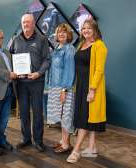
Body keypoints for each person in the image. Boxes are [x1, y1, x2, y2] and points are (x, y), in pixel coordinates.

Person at [66, 19, 108, 163]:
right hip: (81, 86)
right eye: (83, 28)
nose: (86, 31)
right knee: (87, 118)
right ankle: (91, 148)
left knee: (84, 119)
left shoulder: (99, 46)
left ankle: (76, 150)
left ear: (95, 30)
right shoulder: (81, 44)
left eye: (89, 28)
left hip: (91, 88)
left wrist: (92, 90)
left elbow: (99, 70)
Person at [10, 13, 50, 152]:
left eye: (28, 22)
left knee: (38, 112)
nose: (26, 24)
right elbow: (10, 57)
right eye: (24, 22)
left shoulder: (42, 39)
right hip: (20, 83)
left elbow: (47, 60)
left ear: (34, 23)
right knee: (24, 112)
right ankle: (26, 139)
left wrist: (38, 73)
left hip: (36, 81)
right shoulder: (16, 39)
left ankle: (38, 141)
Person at [46, 23, 75, 153]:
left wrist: (64, 90)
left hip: (63, 87)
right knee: (60, 115)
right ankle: (63, 141)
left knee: (65, 115)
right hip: (54, 86)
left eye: (64, 32)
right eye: (59, 32)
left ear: (69, 35)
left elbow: (70, 71)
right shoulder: (58, 47)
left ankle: (66, 144)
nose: (61, 34)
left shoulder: (69, 49)